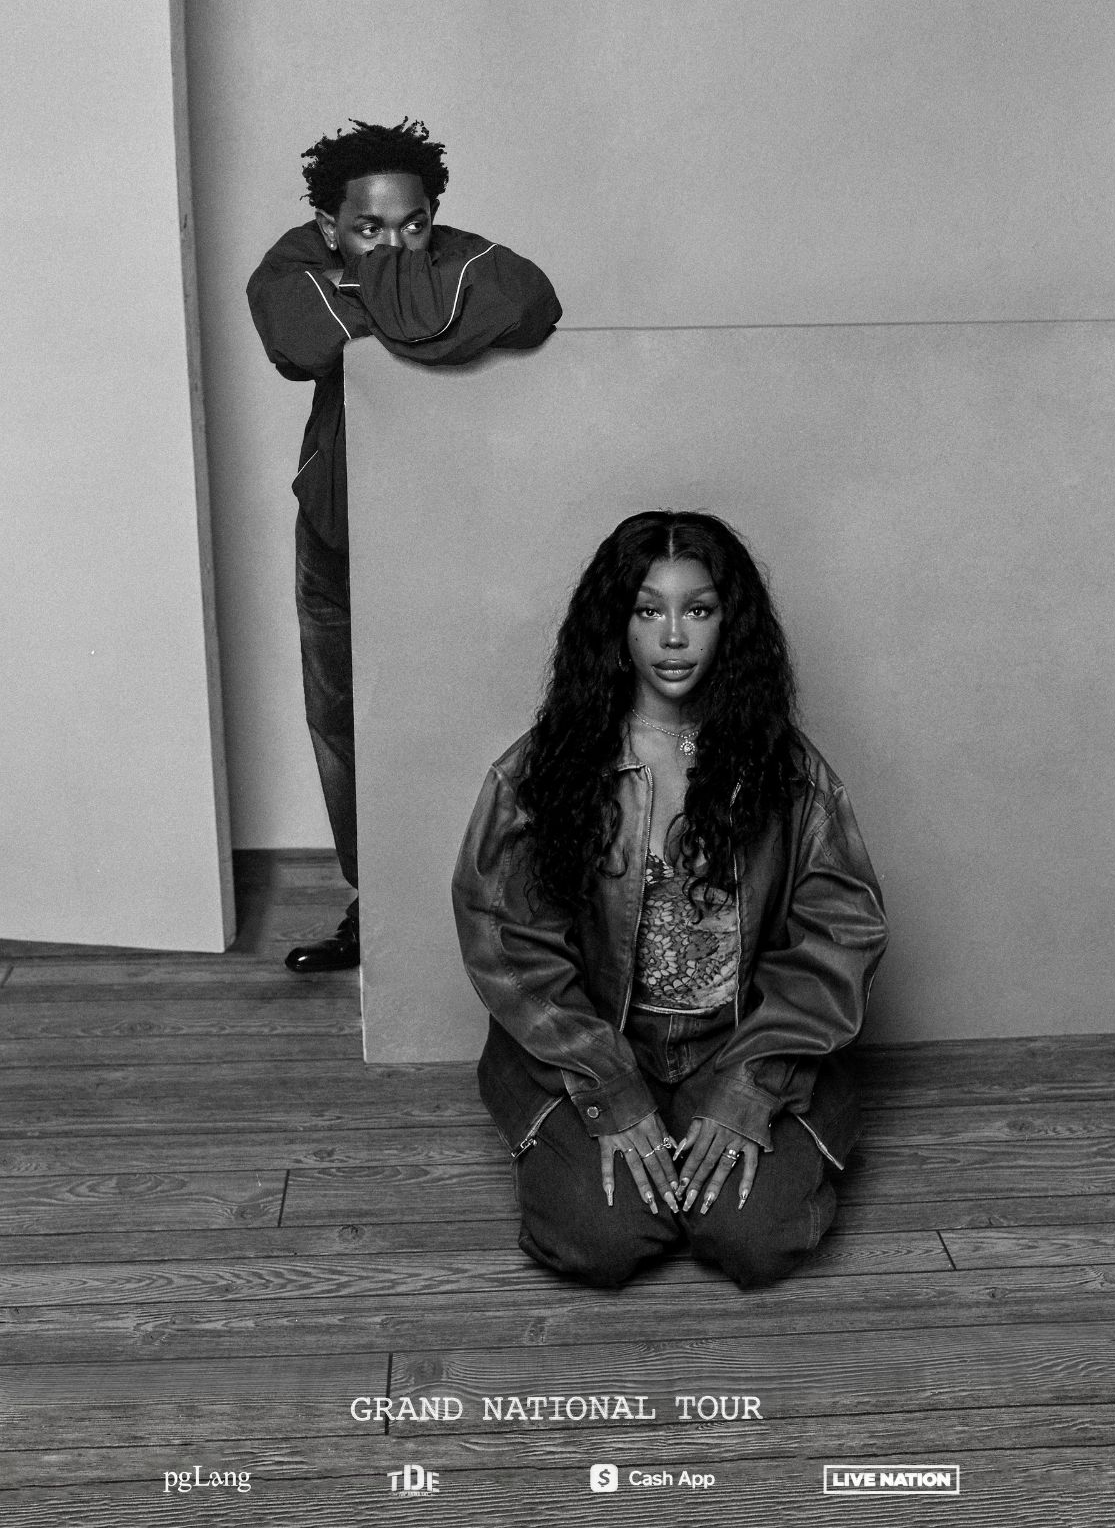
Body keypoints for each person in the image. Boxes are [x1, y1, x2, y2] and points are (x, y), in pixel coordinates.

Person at [452, 511, 888, 1288]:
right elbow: (507, 942)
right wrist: (610, 1088)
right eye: (648, 610)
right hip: (597, 1045)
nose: (674, 636)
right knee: (601, 1239)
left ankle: (711, 1156)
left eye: (699, 609)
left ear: (729, 622)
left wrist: (750, 1086)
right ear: (615, 624)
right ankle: (637, 1164)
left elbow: (839, 936)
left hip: (741, 1041)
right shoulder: (542, 770)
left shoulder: (787, 773)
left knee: (754, 1240)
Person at [247, 119, 561, 971]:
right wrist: (417, 295)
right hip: (337, 533)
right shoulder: (291, 261)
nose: (394, 242)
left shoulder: (473, 255)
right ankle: (380, 908)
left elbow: (532, 303)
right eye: (368, 228)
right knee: (342, 725)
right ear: (326, 226)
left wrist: (366, 288)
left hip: (447, 530)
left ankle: (487, 914)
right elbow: (301, 337)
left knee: (466, 716)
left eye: (414, 224)